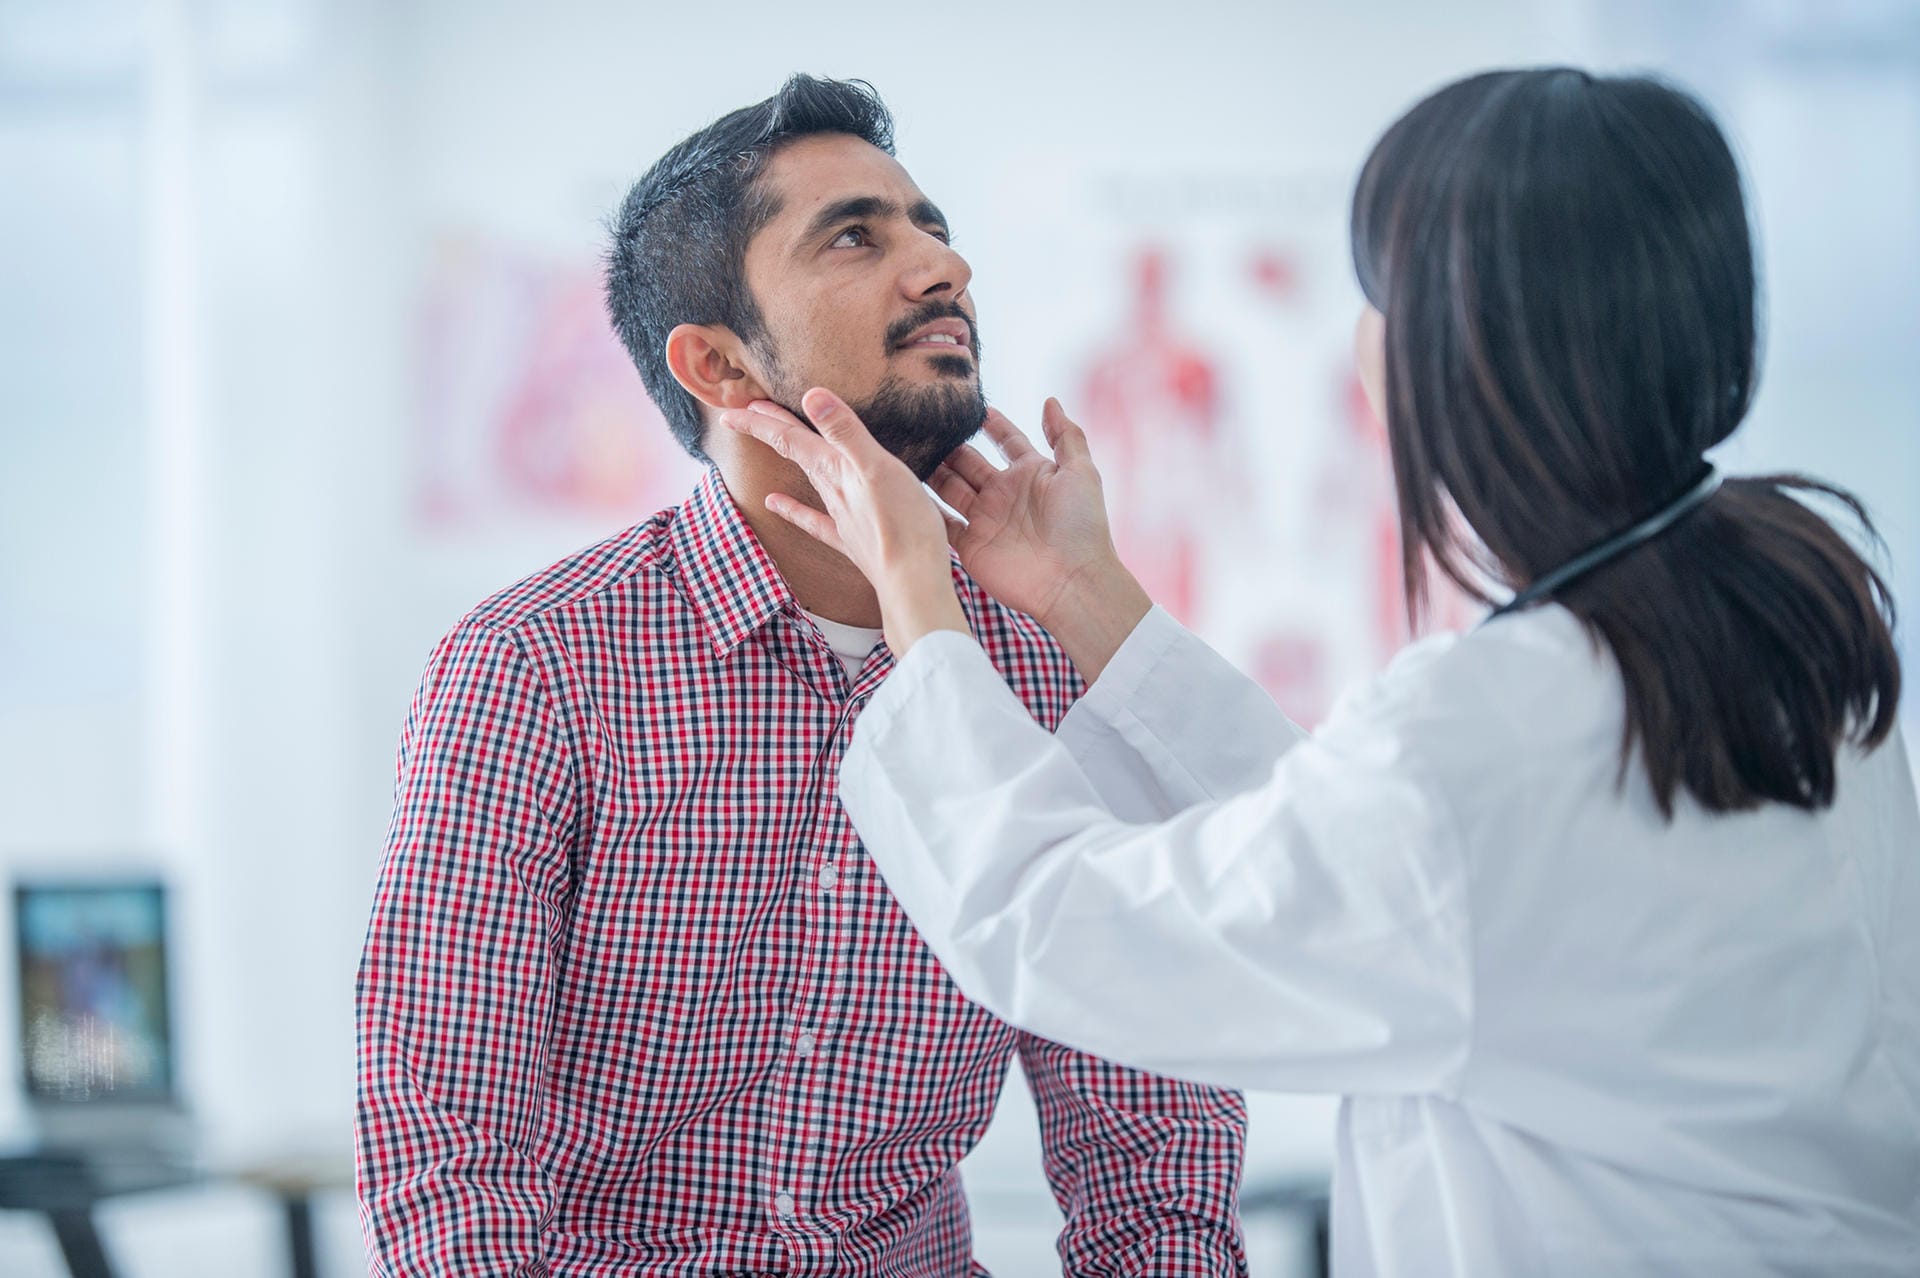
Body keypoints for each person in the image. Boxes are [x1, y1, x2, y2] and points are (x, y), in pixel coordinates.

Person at [722, 68, 1920, 1277]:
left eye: (1375, 292)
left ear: (1459, 351)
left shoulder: (1495, 734)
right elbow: (1364, 858)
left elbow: (1067, 928)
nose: (942, 269)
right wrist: (1086, 599)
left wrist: (920, 606)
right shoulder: (1784, 614)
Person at [353, 75, 1251, 1277]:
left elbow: (1151, 1135)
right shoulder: (536, 667)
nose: (944, 268)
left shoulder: (1043, 657)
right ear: (720, 367)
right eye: (855, 237)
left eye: (931, 226)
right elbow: (447, 1152)